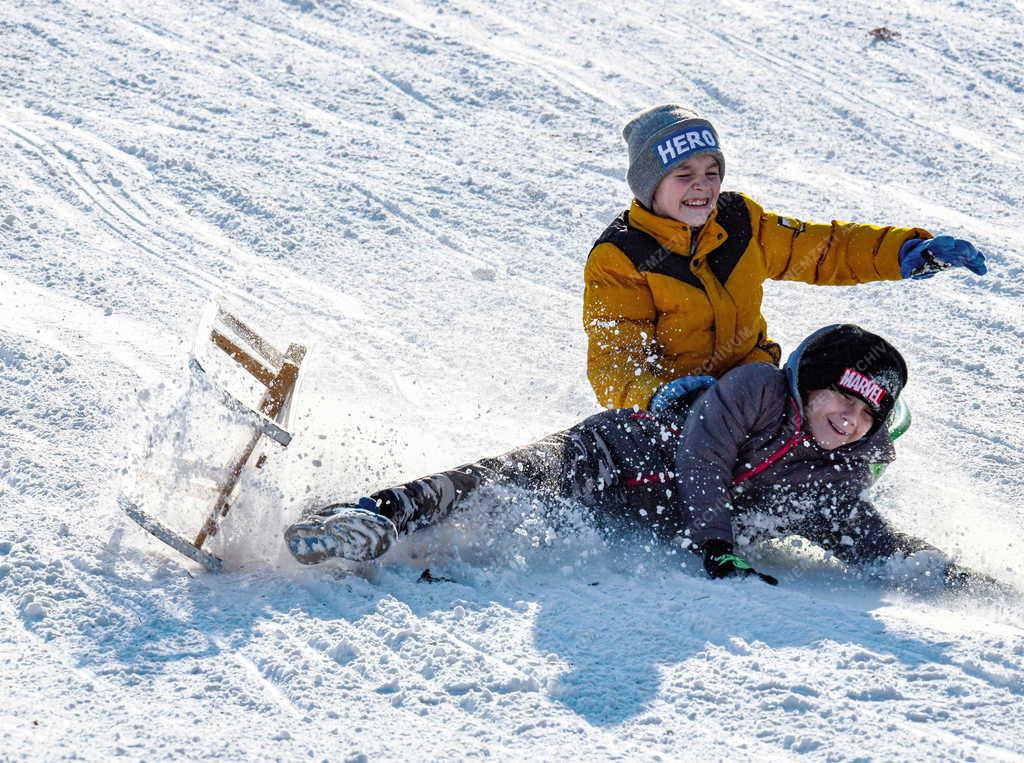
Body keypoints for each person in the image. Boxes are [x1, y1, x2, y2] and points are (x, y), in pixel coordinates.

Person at [284, 325, 981, 589]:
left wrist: (938, 571)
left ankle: (404, 545)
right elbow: (705, 459)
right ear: (806, 382)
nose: (849, 418)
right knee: (504, 477)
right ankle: (374, 513)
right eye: (841, 398)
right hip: (611, 456)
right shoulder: (756, 391)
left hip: (635, 514)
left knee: (508, 520)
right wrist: (718, 546)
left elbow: (857, 532)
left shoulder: (832, 476)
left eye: (866, 416)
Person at [584, 104, 988, 410]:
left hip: (755, 389)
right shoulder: (620, 258)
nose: (702, 187)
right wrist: (660, 396)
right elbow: (614, 361)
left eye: (712, 171)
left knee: (851, 358)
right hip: (679, 413)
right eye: (683, 174)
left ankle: (846, 472)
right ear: (649, 184)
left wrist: (903, 252)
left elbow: (822, 249)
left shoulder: (739, 220)